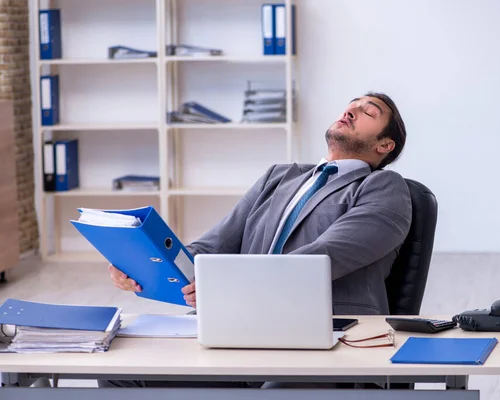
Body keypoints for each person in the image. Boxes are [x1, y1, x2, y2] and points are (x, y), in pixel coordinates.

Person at [101, 91, 412, 389]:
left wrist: (227, 285)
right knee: (120, 372)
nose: (351, 110)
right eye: (351, 104)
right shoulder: (280, 176)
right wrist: (141, 263)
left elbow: (325, 257)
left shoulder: (383, 187)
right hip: (233, 331)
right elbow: (214, 245)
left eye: (369, 111)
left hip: (320, 341)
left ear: (384, 145)